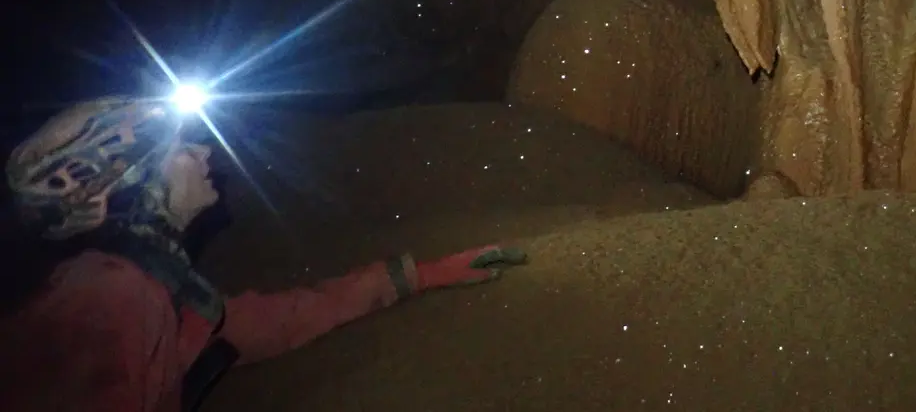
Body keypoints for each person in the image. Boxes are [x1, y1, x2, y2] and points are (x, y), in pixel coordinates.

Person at [0, 95, 528, 411]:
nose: (204, 152)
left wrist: (422, 274)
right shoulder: (104, 301)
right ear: (126, 190)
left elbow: (268, 323)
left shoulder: (141, 288)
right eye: (181, 148)